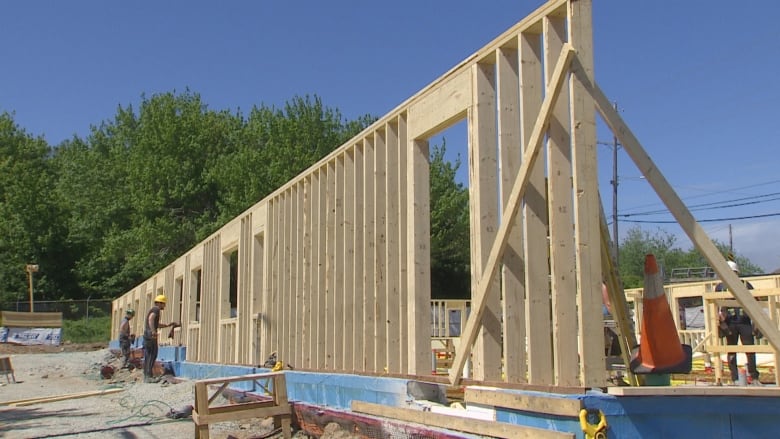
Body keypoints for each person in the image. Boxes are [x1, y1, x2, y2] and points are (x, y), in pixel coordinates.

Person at [715, 260, 760, 385]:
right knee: (731, 350)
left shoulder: (745, 284)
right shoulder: (721, 287)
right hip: (729, 322)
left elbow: (756, 301)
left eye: (734, 272)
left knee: (750, 349)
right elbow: (715, 304)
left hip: (744, 321)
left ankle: (754, 376)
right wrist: (720, 321)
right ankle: (734, 378)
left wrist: (756, 322)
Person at [143, 295, 176, 383]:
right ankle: (148, 377)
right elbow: (151, 319)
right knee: (152, 354)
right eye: (163, 304)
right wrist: (153, 332)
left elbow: (155, 324)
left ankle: (147, 376)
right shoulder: (156, 310)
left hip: (147, 334)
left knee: (149, 355)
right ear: (159, 303)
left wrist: (167, 325)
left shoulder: (153, 310)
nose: (164, 306)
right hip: (150, 335)